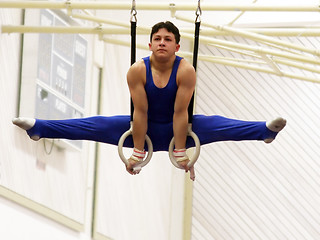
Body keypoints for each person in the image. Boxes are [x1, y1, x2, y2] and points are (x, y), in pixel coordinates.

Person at [12, 21, 286, 181]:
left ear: (177, 46)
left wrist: (180, 152)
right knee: (94, 124)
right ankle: (40, 128)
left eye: (168, 39)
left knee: (217, 124)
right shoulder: (137, 70)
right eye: (157, 38)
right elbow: (140, 112)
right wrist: (138, 152)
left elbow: (181, 113)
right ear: (150, 44)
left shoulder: (186, 70)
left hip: (181, 128)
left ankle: (264, 131)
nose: (162, 43)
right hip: (139, 127)